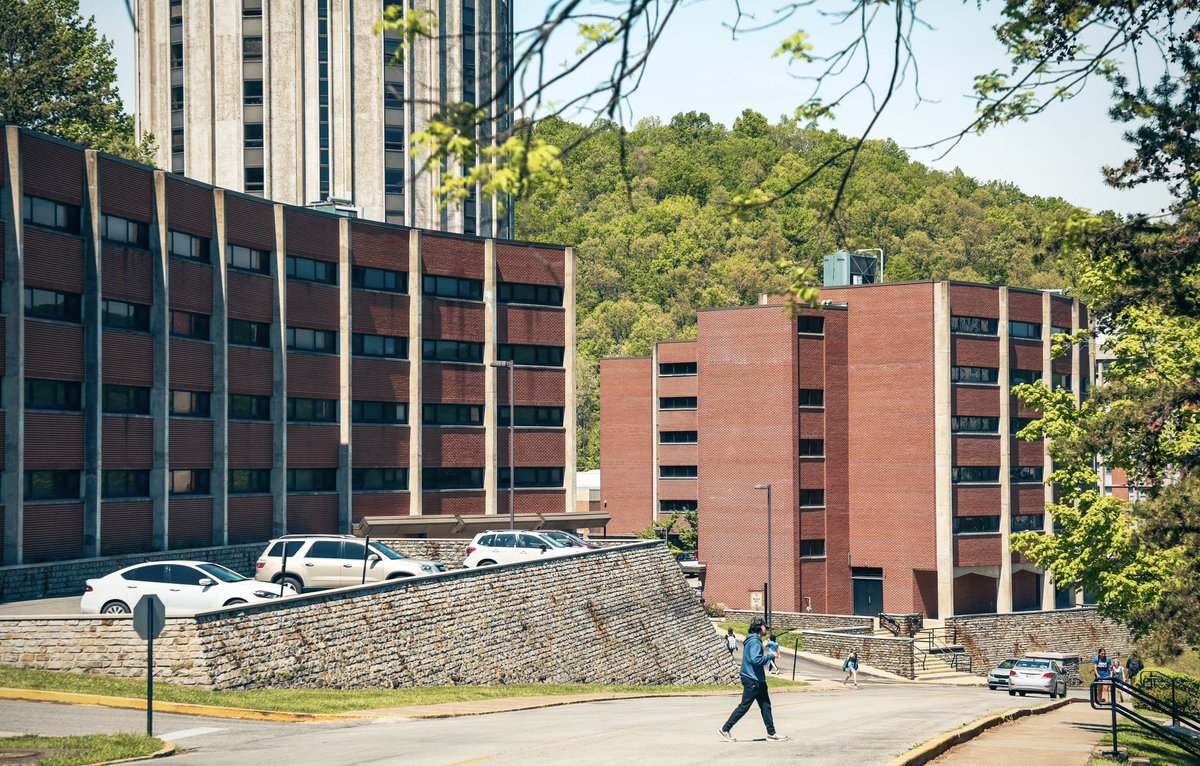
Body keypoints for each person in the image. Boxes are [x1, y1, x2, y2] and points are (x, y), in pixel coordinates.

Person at [718, 620, 788, 743]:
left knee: (766, 705)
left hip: (757, 679)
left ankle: (771, 733)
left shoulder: (752, 640)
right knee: (744, 706)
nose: (767, 630)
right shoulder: (755, 641)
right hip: (753, 679)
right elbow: (756, 660)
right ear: (761, 628)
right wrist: (771, 656)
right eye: (766, 627)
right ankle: (725, 729)